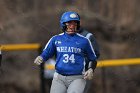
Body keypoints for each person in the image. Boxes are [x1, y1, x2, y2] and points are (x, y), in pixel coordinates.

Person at [34, 11, 97, 93]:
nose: (72, 26)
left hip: (77, 77)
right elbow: (47, 52)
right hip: (59, 77)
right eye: (69, 24)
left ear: (78, 25)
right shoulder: (56, 39)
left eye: (74, 24)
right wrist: (41, 57)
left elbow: (93, 58)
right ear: (63, 24)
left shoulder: (84, 41)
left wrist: (91, 69)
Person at [78, 28, 100, 93]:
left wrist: (90, 68)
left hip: (83, 72)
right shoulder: (64, 36)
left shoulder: (87, 36)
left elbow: (95, 54)